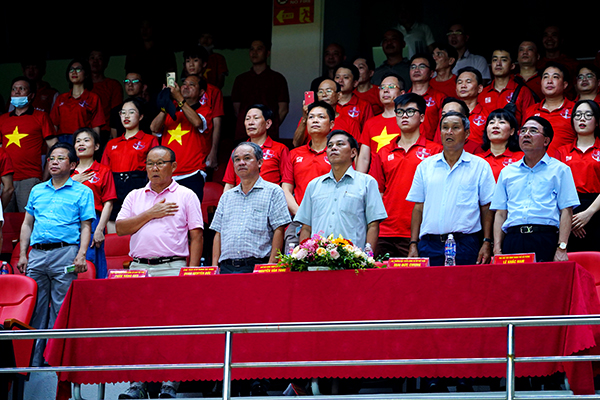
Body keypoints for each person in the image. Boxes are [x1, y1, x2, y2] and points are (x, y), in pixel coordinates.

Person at [116, 145, 203, 398]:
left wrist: (191, 274)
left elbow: (196, 236)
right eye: (150, 164)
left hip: (173, 267)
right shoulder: (134, 196)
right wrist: (150, 214)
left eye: (160, 163)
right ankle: (138, 384)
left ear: (173, 167)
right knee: (137, 328)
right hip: (138, 269)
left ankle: (169, 383)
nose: (154, 168)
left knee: (173, 328)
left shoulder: (186, 195)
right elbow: (121, 228)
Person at [17, 142, 95, 367]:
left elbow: (86, 226)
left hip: (65, 253)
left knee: (61, 308)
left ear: (72, 165)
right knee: (35, 309)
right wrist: (22, 254)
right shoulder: (37, 190)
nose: (54, 162)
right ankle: (31, 363)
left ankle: (55, 361)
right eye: (51, 158)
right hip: (37, 254)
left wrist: (81, 254)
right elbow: (27, 223)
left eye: (61, 158)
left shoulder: (83, 191)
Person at [406, 111, 495, 266]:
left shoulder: (480, 166)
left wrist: (487, 242)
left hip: (466, 243)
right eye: (445, 127)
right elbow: (418, 208)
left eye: (455, 127)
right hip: (429, 244)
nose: (449, 132)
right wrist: (413, 243)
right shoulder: (425, 166)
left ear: (466, 133)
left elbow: (486, 208)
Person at [491, 116, 579, 262]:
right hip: (513, 239)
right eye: (523, 131)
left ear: (546, 141)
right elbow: (500, 213)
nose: (526, 134)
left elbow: (566, 211)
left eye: (533, 131)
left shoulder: (560, 170)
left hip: (544, 238)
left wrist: (562, 247)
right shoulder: (507, 172)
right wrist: (497, 250)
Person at [368, 93, 442, 257]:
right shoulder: (383, 152)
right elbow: (378, 192)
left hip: (421, 230)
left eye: (410, 111)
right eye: (400, 112)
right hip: (385, 230)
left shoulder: (436, 151)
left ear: (422, 117)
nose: (404, 116)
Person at [296, 130, 387, 250]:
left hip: (353, 257)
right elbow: (306, 227)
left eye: (340, 144)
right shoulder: (314, 185)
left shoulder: (367, 183)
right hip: (319, 257)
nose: (333, 148)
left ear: (353, 152)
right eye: (330, 146)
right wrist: (305, 254)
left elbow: (373, 225)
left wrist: (368, 255)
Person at [211, 142, 291, 272]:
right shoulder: (226, 197)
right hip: (226, 267)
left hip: (257, 266)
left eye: (247, 158)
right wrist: (215, 267)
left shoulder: (273, 191)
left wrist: (271, 264)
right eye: (237, 159)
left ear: (260, 162)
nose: (241, 163)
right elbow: (218, 233)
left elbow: (279, 229)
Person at [0, 76, 57, 212]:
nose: (17, 92)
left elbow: (54, 147)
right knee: (4, 220)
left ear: (31, 95)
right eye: (14, 89)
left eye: (22, 89)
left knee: (28, 219)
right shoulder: (2, 119)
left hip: (30, 179)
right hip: (5, 180)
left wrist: (46, 175)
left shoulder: (41, 116)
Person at [283, 101, 336, 248]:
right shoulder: (294, 154)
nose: (315, 120)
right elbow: (286, 189)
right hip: (299, 218)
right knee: (292, 258)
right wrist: (301, 214)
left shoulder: (337, 154)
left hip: (330, 218)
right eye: (311, 117)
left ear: (331, 124)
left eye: (321, 117)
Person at [102, 98, 159, 233]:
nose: (126, 116)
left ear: (141, 116)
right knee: (114, 226)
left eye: (131, 112)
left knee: (140, 226)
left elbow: (156, 168)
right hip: (115, 187)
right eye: (123, 112)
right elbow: (104, 171)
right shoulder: (112, 143)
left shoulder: (149, 140)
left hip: (139, 185)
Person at [151, 74, 209, 202]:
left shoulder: (204, 110)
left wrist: (179, 98)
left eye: (191, 85)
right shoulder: (171, 109)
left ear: (201, 92)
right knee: (166, 213)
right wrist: (165, 104)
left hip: (192, 173)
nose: (186, 87)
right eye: (184, 84)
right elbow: (154, 128)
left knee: (190, 213)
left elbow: (197, 122)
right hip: (168, 174)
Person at [556, 100, 600, 252]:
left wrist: (588, 213)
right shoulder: (561, 152)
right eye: (578, 115)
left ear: (597, 122)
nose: (582, 119)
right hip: (568, 211)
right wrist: (570, 219)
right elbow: (555, 188)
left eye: (588, 115)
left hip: (597, 209)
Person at [72, 128, 116, 279]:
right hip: (68, 222)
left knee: (90, 263)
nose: (81, 144)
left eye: (86, 140)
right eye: (78, 141)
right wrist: (72, 182)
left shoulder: (103, 170)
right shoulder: (67, 172)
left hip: (93, 221)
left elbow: (108, 203)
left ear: (96, 146)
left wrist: (100, 229)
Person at [222, 104, 291, 191]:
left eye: (256, 118)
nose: (250, 122)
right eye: (247, 119)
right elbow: (229, 184)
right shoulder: (237, 151)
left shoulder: (280, 149)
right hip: (241, 197)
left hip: (269, 197)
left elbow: (286, 182)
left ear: (268, 123)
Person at [231, 39, 290, 141]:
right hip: (244, 133)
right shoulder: (241, 79)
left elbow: (283, 109)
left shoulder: (277, 79)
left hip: (269, 133)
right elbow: (237, 109)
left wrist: (271, 125)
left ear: (268, 53)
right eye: (252, 49)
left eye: (259, 49)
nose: (254, 52)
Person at [181, 45, 225, 171]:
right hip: (183, 146)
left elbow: (217, 123)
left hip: (204, 147)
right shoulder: (181, 91)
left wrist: (214, 152)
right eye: (188, 61)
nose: (191, 65)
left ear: (204, 64)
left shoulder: (213, 91)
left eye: (195, 60)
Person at [356, 73, 406, 172]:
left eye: (391, 87)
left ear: (402, 93)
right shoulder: (370, 123)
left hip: (399, 173)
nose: (385, 90)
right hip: (375, 177)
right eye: (382, 87)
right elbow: (364, 158)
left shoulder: (407, 120)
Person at [524, 62, 576, 156]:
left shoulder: (575, 110)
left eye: (555, 77)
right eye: (545, 77)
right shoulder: (530, 111)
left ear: (565, 84)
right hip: (535, 163)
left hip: (565, 163)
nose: (549, 81)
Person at [50, 59, 105, 144]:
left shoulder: (93, 98)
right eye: (71, 70)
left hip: (83, 141)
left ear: (86, 74)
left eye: (78, 69)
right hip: (62, 141)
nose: (74, 72)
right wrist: (52, 147)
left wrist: (94, 146)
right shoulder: (61, 98)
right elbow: (54, 125)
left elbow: (96, 127)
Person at [293, 79, 361, 147]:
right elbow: (296, 144)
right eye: (320, 92)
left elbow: (355, 149)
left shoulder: (350, 123)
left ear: (339, 95)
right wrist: (305, 118)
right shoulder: (310, 120)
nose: (324, 95)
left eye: (328, 91)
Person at [478, 47, 535, 125]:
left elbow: (529, 123)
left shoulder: (523, 91)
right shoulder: (482, 93)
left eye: (504, 60)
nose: (498, 64)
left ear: (512, 66)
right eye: (495, 60)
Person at [407, 52, 446, 140]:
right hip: (406, 146)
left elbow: (443, 126)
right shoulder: (403, 98)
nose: (416, 70)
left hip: (431, 146)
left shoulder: (440, 98)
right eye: (413, 67)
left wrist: (435, 146)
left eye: (422, 66)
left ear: (431, 73)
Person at [88, 48, 123, 144]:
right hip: (82, 130)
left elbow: (116, 112)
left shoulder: (113, 85)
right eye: (92, 58)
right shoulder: (81, 86)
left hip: (105, 131)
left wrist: (113, 134)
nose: (95, 61)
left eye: (99, 58)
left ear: (106, 63)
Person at [477, 108, 523, 181]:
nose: (495, 126)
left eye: (501, 122)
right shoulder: (476, 159)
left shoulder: (522, 158)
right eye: (492, 122)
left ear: (512, 131)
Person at [109, 71, 155, 139]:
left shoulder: (151, 109)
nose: (130, 84)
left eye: (135, 81)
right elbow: (115, 137)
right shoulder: (116, 110)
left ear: (144, 87)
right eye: (127, 81)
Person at [334, 63, 374, 130]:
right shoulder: (328, 103)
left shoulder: (364, 105)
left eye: (346, 77)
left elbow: (369, 130)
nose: (340, 80)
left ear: (355, 83)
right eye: (337, 77)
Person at [454, 67, 489, 144]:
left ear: (479, 88)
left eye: (468, 82)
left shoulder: (487, 115)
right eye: (459, 83)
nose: (463, 86)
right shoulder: (448, 113)